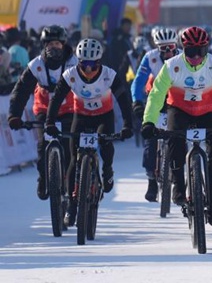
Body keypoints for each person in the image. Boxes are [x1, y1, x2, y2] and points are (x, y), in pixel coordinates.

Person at [140, 26, 212, 227]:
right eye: (190, 51)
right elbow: (156, 95)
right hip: (179, 111)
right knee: (175, 143)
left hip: (208, 112)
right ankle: (178, 186)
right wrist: (149, 121)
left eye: (201, 51)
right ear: (182, 49)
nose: (196, 56)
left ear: (207, 49)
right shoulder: (171, 66)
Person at [45, 38, 134, 226]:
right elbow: (56, 100)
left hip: (104, 117)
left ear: (99, 62)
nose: (87, 69)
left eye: (92, 64)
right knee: (72, 161)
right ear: (78, 62)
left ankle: (107, 168)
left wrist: (127, 124)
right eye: (84, 63)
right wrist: (50, 122)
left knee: (105, 142)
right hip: (81, 117)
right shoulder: (70, 75)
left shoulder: (109, 75)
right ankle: (71, 206)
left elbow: (124, 101)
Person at [7, 26, 77, 201]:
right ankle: (44, 179)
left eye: (57, 43)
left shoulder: (74, 63)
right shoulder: (36, 65)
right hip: (44, 110)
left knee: (69, 149)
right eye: (50, 44)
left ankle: (70, 184)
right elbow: (21, 91)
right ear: (44, 45)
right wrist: (14, 115)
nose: (54, 47)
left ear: (63, 44)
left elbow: (85, 88)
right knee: (42, 147)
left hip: (68, 109)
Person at [131, 27, 181, 202]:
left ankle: (179, 174)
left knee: (179, 138)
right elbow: (138, 81)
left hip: (177, 101)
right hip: (156, 99)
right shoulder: (150, 58)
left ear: (176, 46)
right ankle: (151, 179)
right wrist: (136, 101)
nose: (167, 52)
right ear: (157, 47)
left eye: (170, 48)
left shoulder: (183, 57)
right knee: (151, 139)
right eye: (163, 49)